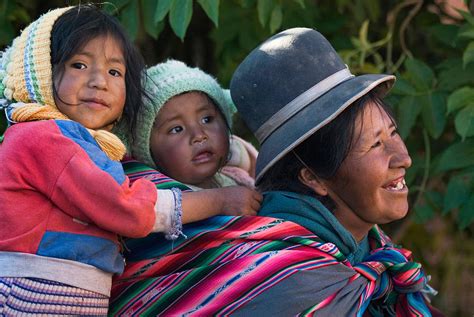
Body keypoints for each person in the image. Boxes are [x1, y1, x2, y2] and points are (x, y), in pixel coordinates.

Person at [110, 28, 441, 316]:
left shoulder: (368, 248)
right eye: (375, 145)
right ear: (312, 176)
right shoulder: (284, 275)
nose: (404, 158)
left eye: (394, 133)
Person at [0, 5, 255, 316]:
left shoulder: (84, 144)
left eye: (114, 71)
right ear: (40, 70)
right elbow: (126, 208)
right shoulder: (43, 138)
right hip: (30, 294)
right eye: (79, 64)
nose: (99, 81)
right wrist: (219, 201)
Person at [121, 59, 260, 192]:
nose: (199, 136)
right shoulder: (166, 202)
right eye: (177, 129)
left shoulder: (238, 179)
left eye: (207, 119)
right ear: (148, 152)